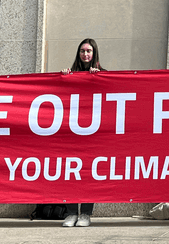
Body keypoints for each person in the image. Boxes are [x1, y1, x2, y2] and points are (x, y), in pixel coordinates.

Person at [58, 39, 105, 227]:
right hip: (72, 132)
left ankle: (85, 214)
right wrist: (63, 78)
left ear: (94, 53)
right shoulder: (71, 74)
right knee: (70, 173)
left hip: (93, 134)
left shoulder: (103, 74)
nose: (86, 54)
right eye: (82, 51)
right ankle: (71, 213)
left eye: (89, 51)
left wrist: (99, 78)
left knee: (88, 174)